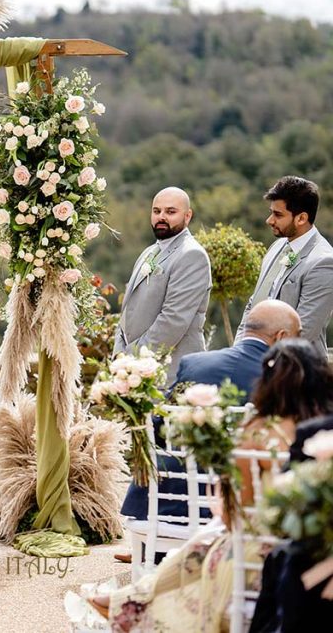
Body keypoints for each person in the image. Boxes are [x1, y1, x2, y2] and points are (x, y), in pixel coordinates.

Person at [94, 339, 333, 632]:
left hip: (262, 546)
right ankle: (128, 602)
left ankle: (128, 604)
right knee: (206, 540)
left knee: (208, 541)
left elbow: (238, 513)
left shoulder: (255, 433)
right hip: (311, 541)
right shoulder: (323, 428)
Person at [118, 300, 302, 530]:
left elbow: (158, 427)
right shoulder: (285, 381)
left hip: (165, 504)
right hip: (234, 507)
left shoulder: (194, 364)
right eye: (298, 336)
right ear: (282, 336)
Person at [114, 187, 212, 385]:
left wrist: (131, 359)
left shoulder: (192, 255)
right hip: (134, 370)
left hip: (169, 372)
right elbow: (127, 311)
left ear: (188, 215)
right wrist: (118, 354)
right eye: (156, 211)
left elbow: (173, 320)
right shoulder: (149, 252)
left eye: (170, 212)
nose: (161, 217)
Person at [236, 175, 333, 356]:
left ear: (301, 218)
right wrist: (239, 352)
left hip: (295, 371)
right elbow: (254, 304)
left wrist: (260, 362)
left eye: (278, 214)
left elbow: (304, 331)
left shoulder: (324, 262)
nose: (269, 220)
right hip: (254, 362)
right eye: (271, 212)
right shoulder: (278, 246)